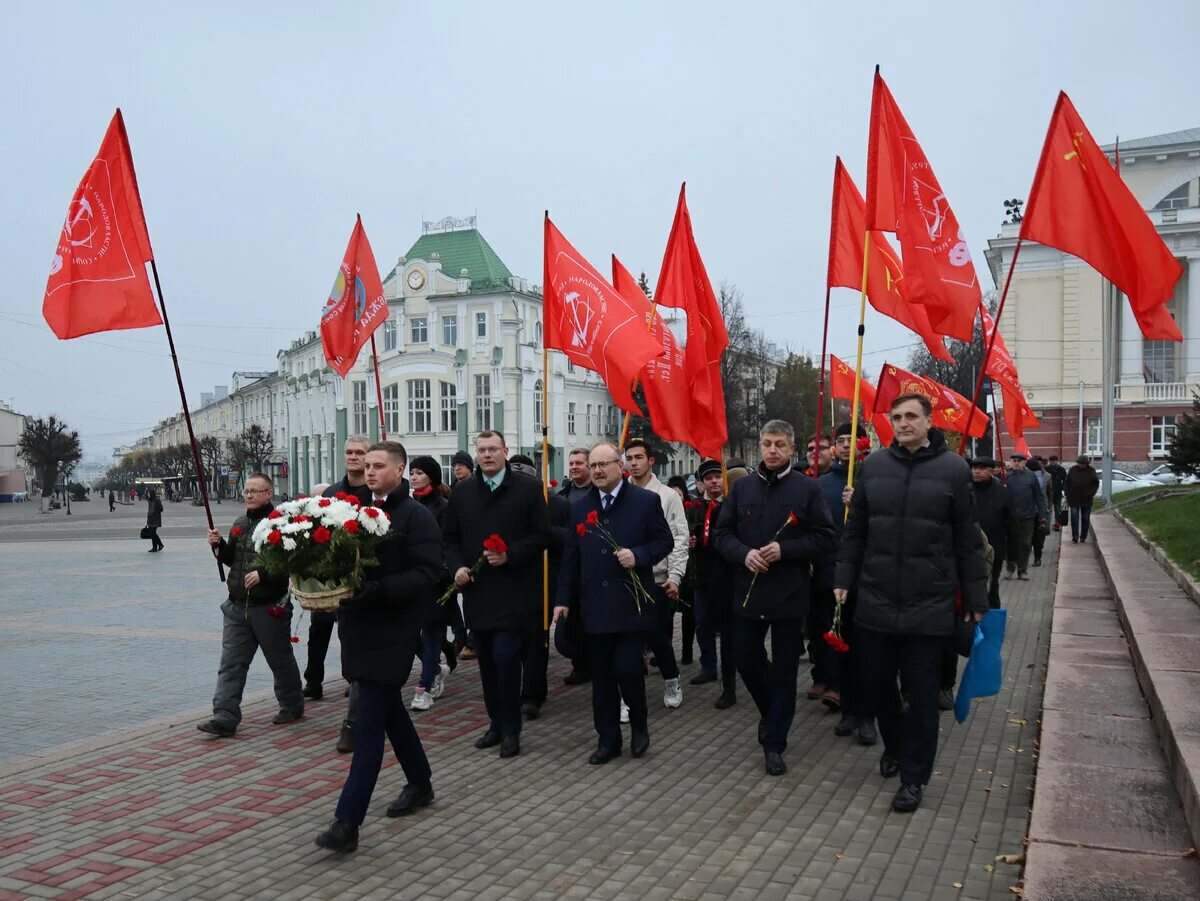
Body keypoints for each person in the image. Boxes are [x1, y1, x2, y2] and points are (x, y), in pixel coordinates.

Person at [834, 394, 988, 812]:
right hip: (876, 599)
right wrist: (844, 579)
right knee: (879, 687)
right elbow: (856, 531)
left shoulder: (954, 470)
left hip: (929, 603)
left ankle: (913, 778)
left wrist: (975, 598)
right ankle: (896, 746)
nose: (902, 423)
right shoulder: (875, 467)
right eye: (896, 417)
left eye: (910, 416)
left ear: (928, 421)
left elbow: (968, 540)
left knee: (921, 697)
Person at [314, 441, 443, 854]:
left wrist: (377, 589)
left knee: (367, 726)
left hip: (393, 631)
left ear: (400, 469)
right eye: (366, 465)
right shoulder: (350, 510)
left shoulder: (415, 516)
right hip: (357, 628)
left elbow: (426, 574)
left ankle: (346, 823)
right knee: (390, 713)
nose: (369, 472)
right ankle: (420, 783)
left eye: (378, 466)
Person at [714, 420, 837, 776]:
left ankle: (774, 742)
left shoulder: (808, 489)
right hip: (747, 593)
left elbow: (826, 538)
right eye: (767, 443)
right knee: (745, 658)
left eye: (779, 444)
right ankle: (772, 711)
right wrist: (743, 554)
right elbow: (722, 535)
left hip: (789, 594)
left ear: (791, 449)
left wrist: (786, 549)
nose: (771, 450)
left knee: (784, 671)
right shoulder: (741, 489)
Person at [553, 442, 673, 764]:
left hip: (631, 604)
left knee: (627, 668)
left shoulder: (645, 502)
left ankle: (639, 726)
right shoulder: (579, 507)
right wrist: (562, 600)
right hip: (594, 607)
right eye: (593, 466)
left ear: (619, 466)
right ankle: (608, 740)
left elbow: (665, 541)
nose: (597, 471)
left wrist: (640, 556)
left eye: (603, 464)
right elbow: (570, 558)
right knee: (602, 677)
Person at [443, 430, 550, 759]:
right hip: (479, 594)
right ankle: (495, 722)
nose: (487, 455)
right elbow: (449, 539)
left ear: (506, 451)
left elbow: (543, 536)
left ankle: (511, 729)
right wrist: (457, 567)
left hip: (516, 593)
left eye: (493, 449)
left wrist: (511, 554)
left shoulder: (528, 489)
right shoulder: (463, 492)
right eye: (482, 450)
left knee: (506, 659)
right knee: (487, 664)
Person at [198, 473, 303, 738]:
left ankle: (292, 703)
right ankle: (225, 715)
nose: (249, 495)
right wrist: (219, 546)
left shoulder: (281, 524)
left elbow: (291, 561)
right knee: (231, 663)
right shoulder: (240, 523)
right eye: (247, 491)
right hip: (236, 607)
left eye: (256, 491)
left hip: (268, 606)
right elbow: (232, 558)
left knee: (279, 659)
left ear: (269, 493)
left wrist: (265, 574)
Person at [819, 423, 876, 745]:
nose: (844, 446)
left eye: (850, 440)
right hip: (834, 579)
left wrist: (861, 506)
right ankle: (849, 710)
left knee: (869, 652)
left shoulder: (875, 480)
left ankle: (869, 716)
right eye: (839, 440)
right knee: (841, 650)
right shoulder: (824, 484)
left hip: (869, 579)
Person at [623, 439, 689, 710]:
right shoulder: (618, 494)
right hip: (625, 579)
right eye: (629, 457)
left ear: (650, 461)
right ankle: (628, 694)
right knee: (626, 640)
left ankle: (671, 679)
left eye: (639, 457)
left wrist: (675, 577)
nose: (633, 462)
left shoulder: (667, 496)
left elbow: (679, 539)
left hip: (657, 579)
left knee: (658, 637)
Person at [508, 454, 569, 720]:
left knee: (536, 642)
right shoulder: (503, 503)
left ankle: (533, 694)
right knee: (512, 644)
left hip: (542, 582)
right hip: (509, 583)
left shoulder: (556, 504)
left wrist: (543, 528)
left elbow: (567, 540)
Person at [689, 458, 738, 709]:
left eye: (718, 477)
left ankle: (730, 685)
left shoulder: (732, 505)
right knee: (703, 622)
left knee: (729, 632)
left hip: (728, 578)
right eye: (709, 478)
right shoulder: (697, 508)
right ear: (702, 483)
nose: (714, 482)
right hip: (703, 577)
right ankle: (708, 666)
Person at [408, 456, 455, 713]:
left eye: (419, 473)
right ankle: (436, 669)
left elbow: (448, 543)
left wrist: (443, 572)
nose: (414, 477)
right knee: (410, 635)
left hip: (436, 581)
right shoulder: (407, 504)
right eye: (412, 472)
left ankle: (424, 687)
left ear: (432, 477)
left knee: (432, 634)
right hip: (412, 583)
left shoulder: (444, 507)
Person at [558, 449, 594, 685]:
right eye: (571, 463)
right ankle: (579, 665)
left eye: (579, 463)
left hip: (594, 562)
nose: (574, 467)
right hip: (569, 564)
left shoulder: (599, 494)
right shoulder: (562, 496)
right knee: (573, 619)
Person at [969, 458, 1010, 609]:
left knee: (992, 584)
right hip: (969, 545)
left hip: (994, 546)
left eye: (981, 468)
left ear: (992, 471)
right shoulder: (964, 489)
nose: (976, 471)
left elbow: (1009, 520)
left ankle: (993, 619)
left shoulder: (1002, 491)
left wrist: (1011, 553)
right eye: (974, 468)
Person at [667, 475, 697, 666]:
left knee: (688, 614)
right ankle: (665, 651)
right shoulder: (663, 508)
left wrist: (694, 540)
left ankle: (687, 652)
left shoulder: (692, 509)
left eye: (679, 492)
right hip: (669, 568)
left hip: (689, 571)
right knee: (666, 615)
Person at [1004, 453, 1046, 581]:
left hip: (1027, 516)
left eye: (1019, 461)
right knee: (1009, 544)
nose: (1016, 463)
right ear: (1010, 462)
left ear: (1024, 463)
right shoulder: (1005, 477)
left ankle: (1022, 570)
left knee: (1025, 544)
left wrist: (1042, 514)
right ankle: (1010, 567)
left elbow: (1039, 496)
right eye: (1014, 460)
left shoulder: (1031, 476)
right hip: (1009, 516)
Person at [1065, 455, 1100, 543]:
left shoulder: (1091, 471)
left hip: (1086, 499)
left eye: (1084, 464)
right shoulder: (1073, 470)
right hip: (1074, 498)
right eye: (1080, 463)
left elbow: (1095, 484)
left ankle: (1083, 536)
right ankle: (1075, 536)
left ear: (1087, 464)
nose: (1082, 465)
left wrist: (1091, 493)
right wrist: (1067, 493)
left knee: (1085, 518)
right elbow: (1067, 482)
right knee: (1074, 518)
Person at [1027, 458, 1053, 567]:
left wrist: (1048, 507)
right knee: (1029, 537)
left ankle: (1037, 558)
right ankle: (1031, 558)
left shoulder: (1047, 476)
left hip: (1040, 511)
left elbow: (1050, 493)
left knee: (1039, 536)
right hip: (1027, 511)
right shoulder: (1023, 477)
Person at [1046, 455, 1068, 528]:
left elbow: (1065, 480)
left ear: (1056, 461)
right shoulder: (1047, 469)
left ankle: (1057, 524)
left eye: (1054, 461)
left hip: (1058, 492)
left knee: (1058, 509)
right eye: (1051, 461)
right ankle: (1047, 525)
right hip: (1048, 492)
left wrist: (1064, 489)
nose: (1052, 462)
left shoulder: (1061, 469)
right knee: (1048, 509)